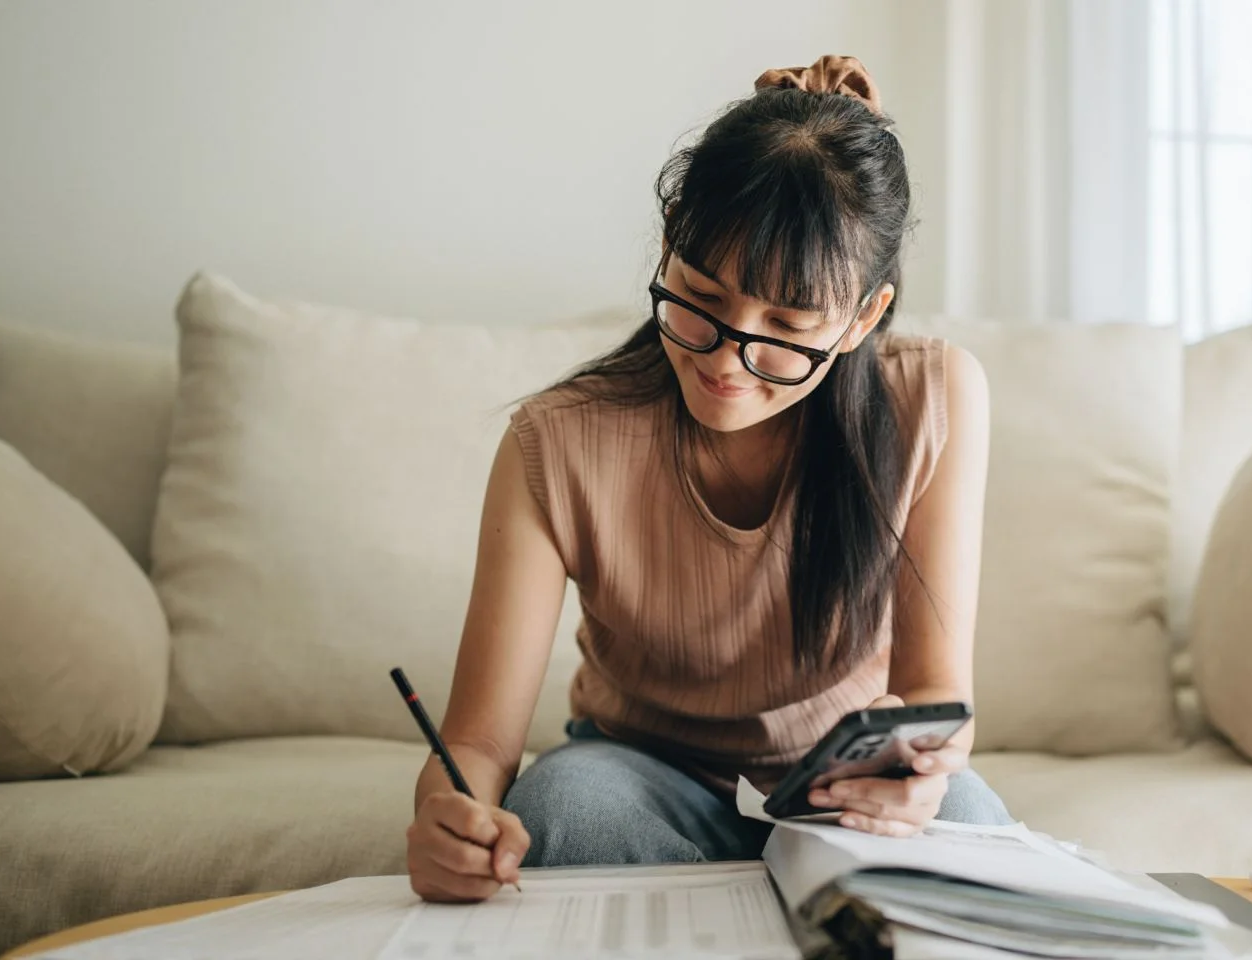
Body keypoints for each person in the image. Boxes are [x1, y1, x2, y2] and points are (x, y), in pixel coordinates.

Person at [404, 55, 1012, 903]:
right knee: (563, 813)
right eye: (698, 298)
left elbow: (936, 693)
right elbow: (476, 744)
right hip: (638, 769)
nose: (729, 360)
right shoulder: (557, 440)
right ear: (668, 243)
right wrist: (448, 808)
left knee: (977, 841)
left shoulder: (933, 397)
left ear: (863, 318)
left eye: (787, 327)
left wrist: (923, 771)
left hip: (843, 781)